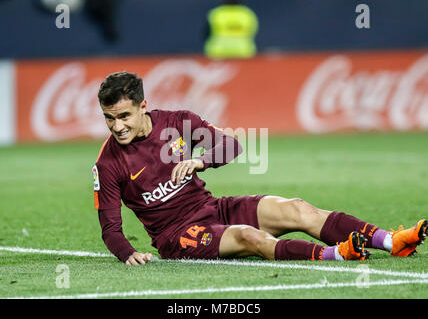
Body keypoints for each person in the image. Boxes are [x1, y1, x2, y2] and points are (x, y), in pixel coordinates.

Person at [93, 71, 427, 266]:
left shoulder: (177, 122)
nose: (117, 126)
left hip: (212, 208)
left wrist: (200, 160)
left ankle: (390, 240)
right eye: (110, 118)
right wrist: (127, 254)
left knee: (297, 209)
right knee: (251, 237)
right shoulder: (108, 164)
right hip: (178, 236)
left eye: (124, 116)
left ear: (143, 107)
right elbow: (110, 227)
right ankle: (335, 255)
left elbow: (232, 145)